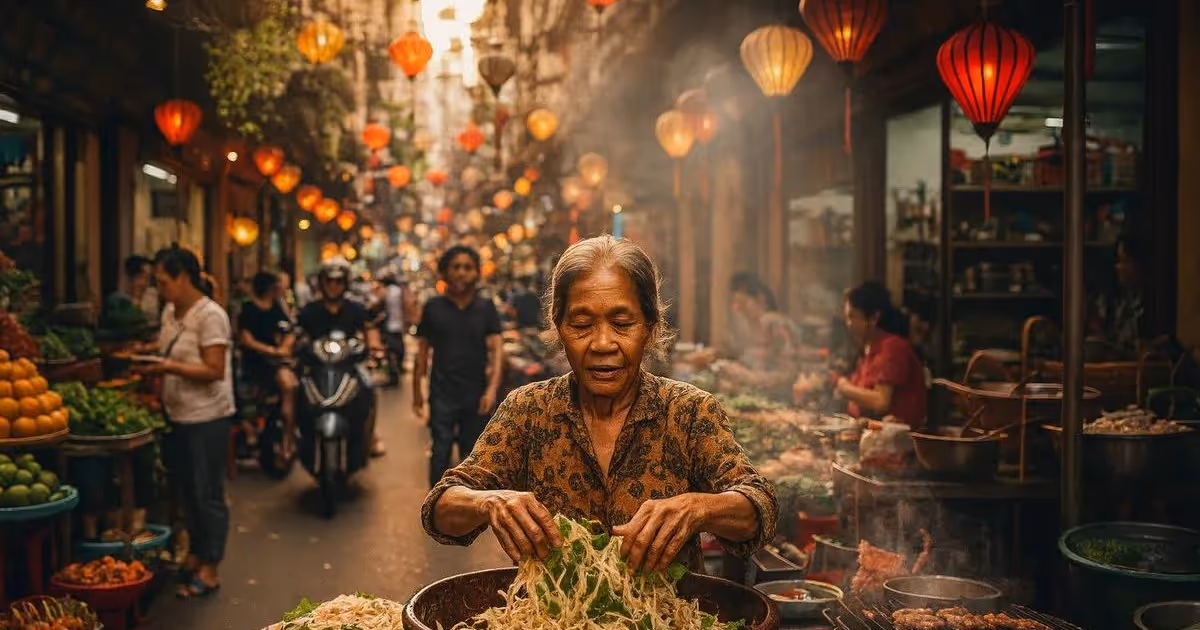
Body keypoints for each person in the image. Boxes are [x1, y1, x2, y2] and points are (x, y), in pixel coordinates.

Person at [421, 236, 777, 573]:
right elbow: (440, 508)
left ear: (650, 327)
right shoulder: (528, 410)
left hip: (667, 611)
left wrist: (699, 507)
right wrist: (489, 502)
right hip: (553, 612)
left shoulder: (688, 411)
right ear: (559, 327)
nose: (603, 343)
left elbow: (759, 506)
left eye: (622, 324)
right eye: (581, 324)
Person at [135, 245, 234, 598]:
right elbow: (168, 348)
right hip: (176, 414)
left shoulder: (211, 316)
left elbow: (214, 369)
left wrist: (167, 367)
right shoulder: (170, 312)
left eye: (164, 282)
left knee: (207, 494)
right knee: (186, 492)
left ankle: (211, 567)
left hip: (206, 417)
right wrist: (148, 355)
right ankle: (195, 554)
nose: (160, 289)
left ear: (184, 277)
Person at [414, 246, 504, 487]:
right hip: (441, 392)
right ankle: (436, 503)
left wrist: (491, 390)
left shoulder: (486, 307)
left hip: (475, 393)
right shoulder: (432, 307)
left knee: (472, 455)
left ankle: (468, 504)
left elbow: (497, 351)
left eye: (467, 267)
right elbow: (422, 353)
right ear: (445, 272)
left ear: (476, 273)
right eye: (455, 267)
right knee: (440, 451)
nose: (461, 273)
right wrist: (417, 393)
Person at [296, 258, 387, 457]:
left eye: (338, 281)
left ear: (345, 283)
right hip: (316, 368)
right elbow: (296, 335)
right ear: (321, 283)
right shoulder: (309, 311)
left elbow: (370, 330)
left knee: (370, 388)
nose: (333, 286)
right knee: (295, 390)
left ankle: (371, 437)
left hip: (350, 367)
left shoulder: (356, 309)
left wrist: (374, 347)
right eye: (329, 281)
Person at [836, 281, 927, 429]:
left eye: (852, 317)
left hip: (896, 437)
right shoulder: (869, 347)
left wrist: (844, 388)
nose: (848, 324)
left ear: (874, 318)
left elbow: (881, 402)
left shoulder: (892, 347)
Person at [237, 271, 297, 457]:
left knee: (290, 385)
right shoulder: (248, 309)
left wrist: (284, 347)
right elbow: (246, 339)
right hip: (254, 363)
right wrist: (270, 350)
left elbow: (289, 331)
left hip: (276, 362)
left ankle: (288, 436)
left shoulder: (277, 308)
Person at [106, 255, 159, 322]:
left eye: (147, 278)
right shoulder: (117, 300)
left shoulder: (152, 298)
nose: (144, 283)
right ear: (129, 276)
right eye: (140, 277)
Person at [381, 274, 407, 386]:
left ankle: (393, 375)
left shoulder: (387, 291)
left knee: (390, 350)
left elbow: (381, 306)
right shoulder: (399, 291)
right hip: (399, 325)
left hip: (390, 325)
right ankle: (398, 368)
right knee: (399, 348)